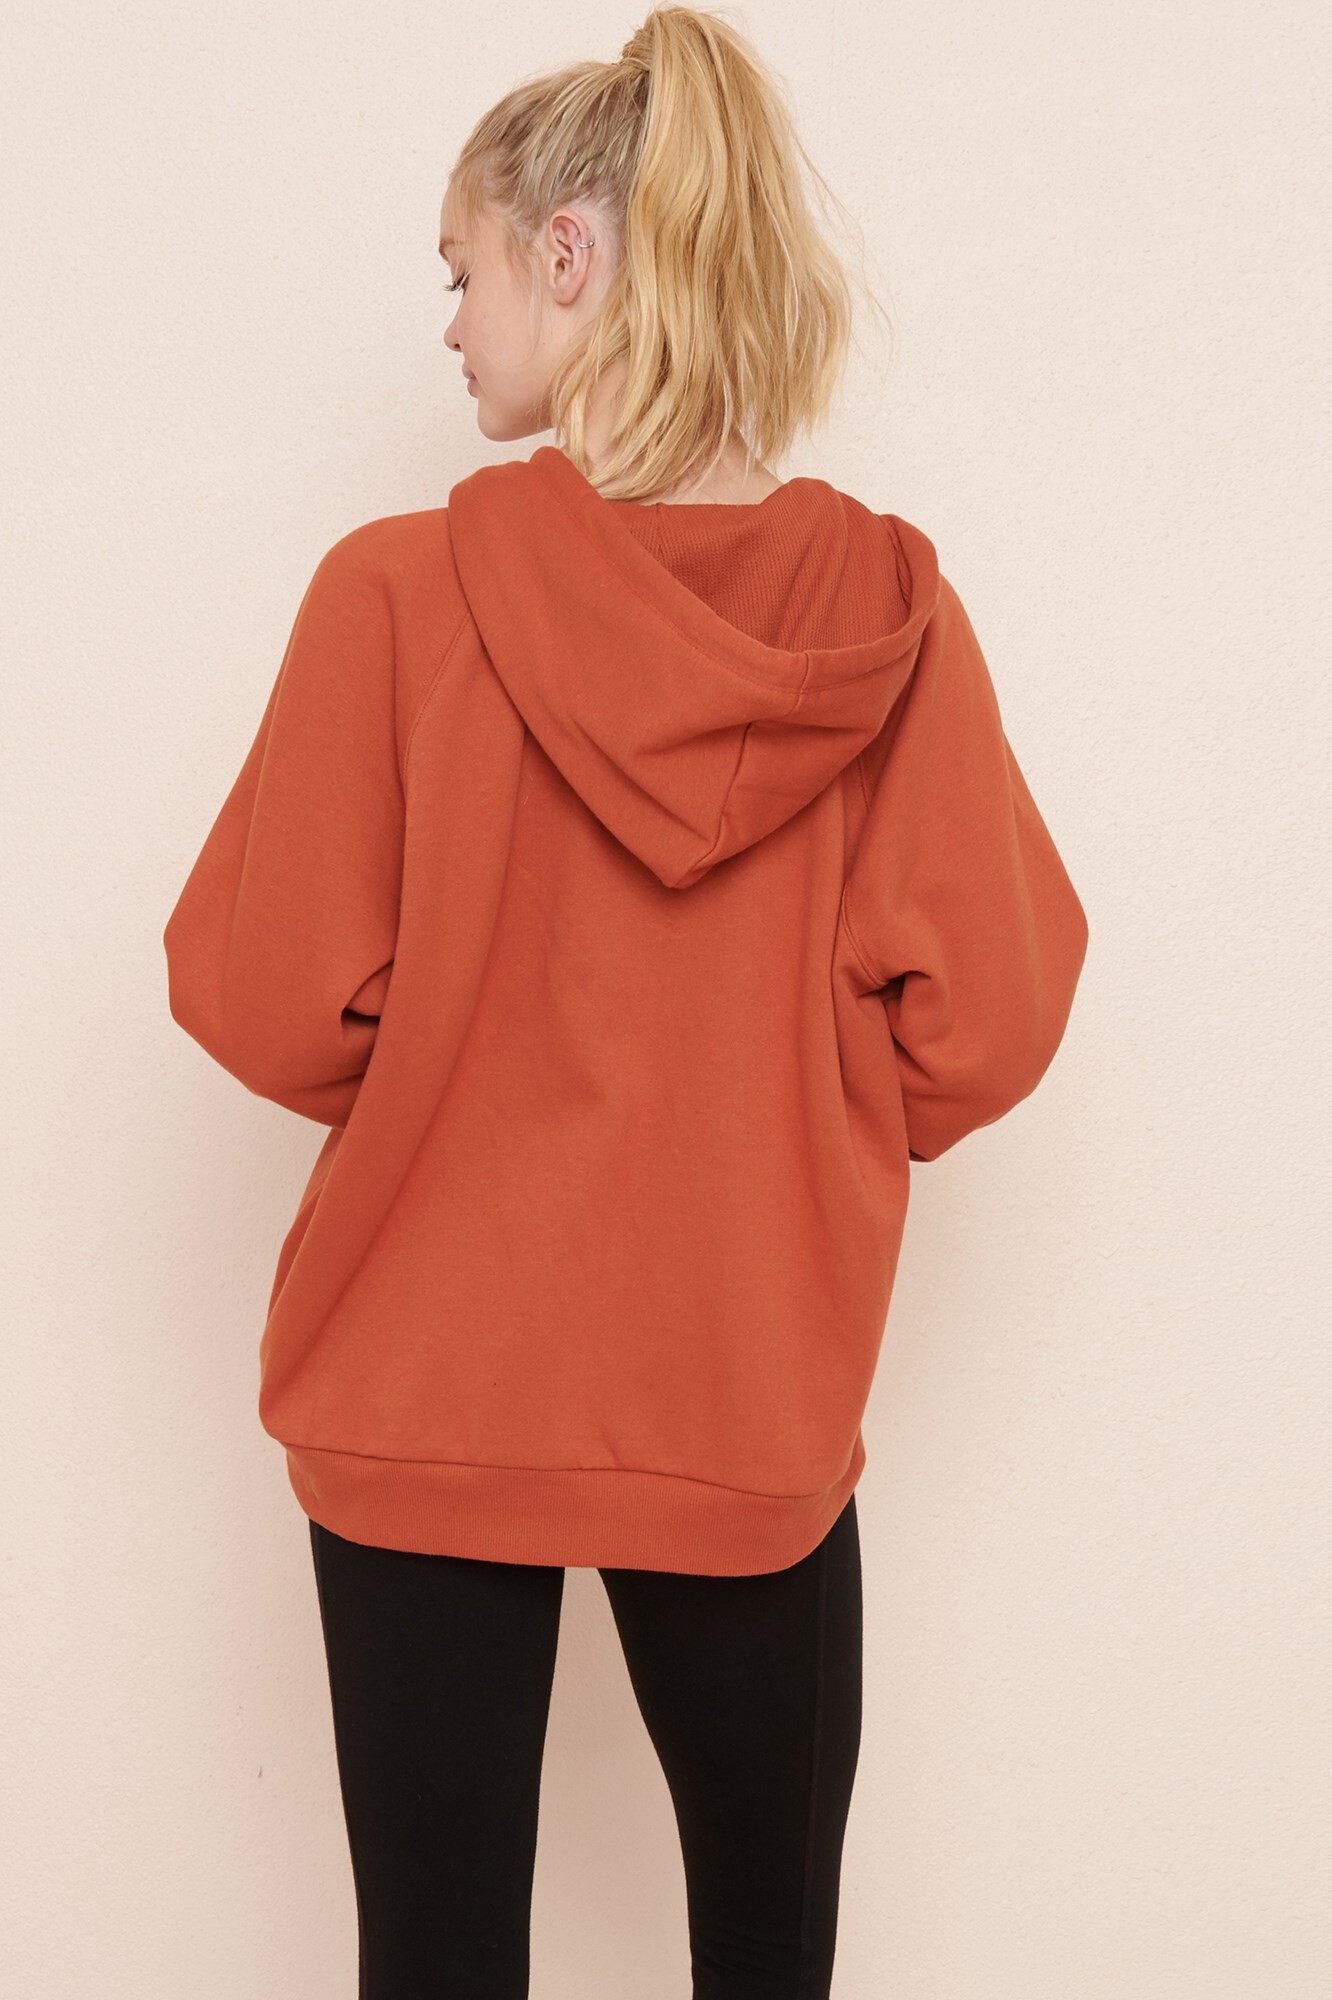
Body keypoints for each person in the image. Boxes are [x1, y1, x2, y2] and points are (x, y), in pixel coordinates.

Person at [162, 7, 1090, 1995]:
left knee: (431, 1963)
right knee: (769, 1959)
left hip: (419, 1385)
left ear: (569, 256)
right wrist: (782, 1106)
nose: (450, 325)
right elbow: (992, 1020)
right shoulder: (887, 626)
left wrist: (451, 1050)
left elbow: (259, 995)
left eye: (463, 271)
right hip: (742, 1394)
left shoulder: (392, 597)